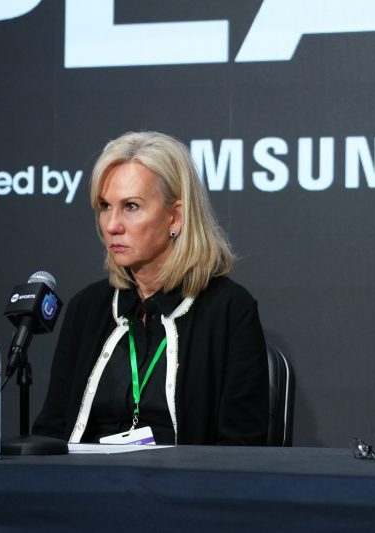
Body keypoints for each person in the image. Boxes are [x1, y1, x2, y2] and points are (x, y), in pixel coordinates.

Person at [33, 131, 268, 445]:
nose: (112, 225)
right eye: (105, 206)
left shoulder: (228, 309)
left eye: (131, 206)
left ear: (176, 217)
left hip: (186, 476)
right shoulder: (87, 308)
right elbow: (51, 430)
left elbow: (241, 447)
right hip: (87, 475)